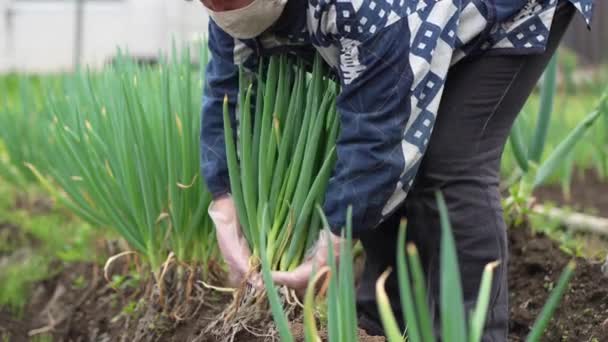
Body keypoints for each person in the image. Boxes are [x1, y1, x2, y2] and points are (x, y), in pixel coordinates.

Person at [199, 0, 593, 339]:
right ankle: (381, 321)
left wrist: (333, 243)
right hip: (418, 21)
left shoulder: (368, 9)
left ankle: (473, 331)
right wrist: (224, 201)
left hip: (508, 12)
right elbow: (227, 92)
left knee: (451, 161)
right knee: (374, 165)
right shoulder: (228, 11)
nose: (219, 9)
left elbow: (377, 137)